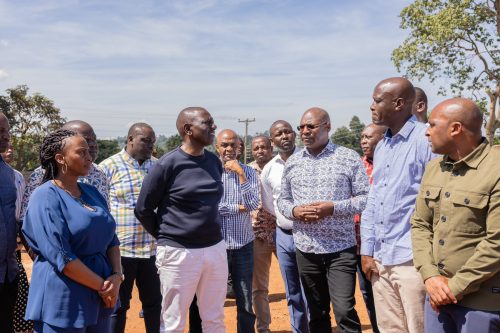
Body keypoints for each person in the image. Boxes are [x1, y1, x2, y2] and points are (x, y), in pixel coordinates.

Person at [135, 107, 228, 333]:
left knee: (214, 318)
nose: (214, 126)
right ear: (188, 129)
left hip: (215, 249)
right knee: (174, 322)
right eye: (207, 123)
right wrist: (168, 236)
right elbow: (143, 209)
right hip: (178, 254)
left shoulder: (214, 162)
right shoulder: (167, 165)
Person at [411, 98, 500, 332]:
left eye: (432, 125)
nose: (427, 133)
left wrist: (454, 288)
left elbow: (496, 242)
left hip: (481, 304)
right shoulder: (434, 168)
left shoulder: (496, 168)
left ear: (455, 129)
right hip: (437, 299)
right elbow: (420, 225)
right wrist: (430, 277)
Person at [278, 108, 369, 333]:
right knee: (317, 312)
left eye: (311, 126)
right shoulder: (293, 161)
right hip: (306, 249)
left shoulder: (347, 157)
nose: (304, 131)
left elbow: (366, 199)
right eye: (301, 127)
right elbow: (283, 200)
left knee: (344, 309)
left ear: (327, 126)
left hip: (340, 249)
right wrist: (295, 211)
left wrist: (333, 208)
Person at [22, 129, 122, 333]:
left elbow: (111, 238)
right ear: (61, 158)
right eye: (81, 153)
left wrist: (117, 276)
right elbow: (61, 256)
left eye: (89, 152)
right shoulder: (46, 196)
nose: (89, 157)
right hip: (64, 296)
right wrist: (103, 286)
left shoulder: (92, 192)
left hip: (101, 294)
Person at [360, 77, 436, 333]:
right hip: (381, 259)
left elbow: (436, 205)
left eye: (378, 100)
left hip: (412, 260)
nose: (372, 106)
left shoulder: (426, 141)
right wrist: (367, 251)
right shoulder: (382, 147)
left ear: (400, 103)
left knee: (420, 328)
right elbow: (374, 200)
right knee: (390, 328)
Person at [99, 123, 161, 333]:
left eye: (152, 141)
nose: (150, 144)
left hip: (152, 249)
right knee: (118, 305)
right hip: (120, 251)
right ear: (130, 139)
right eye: (145, 140)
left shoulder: (159, 167)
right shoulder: (108, 167)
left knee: (154, 304)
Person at [261, 120, 309, 333]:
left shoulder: (309, 160)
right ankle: (299, 329)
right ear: (272, 140)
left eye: (288, 132)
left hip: (309, 233)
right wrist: (285, 218)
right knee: (292, 290)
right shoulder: (269, 169)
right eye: (279, 134)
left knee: (311, 286)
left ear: (294, 134)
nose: (284, 136)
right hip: (284, 236)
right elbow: (269, 203)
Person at [20, 120, 108, 224]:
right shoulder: (42, 175)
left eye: (94, 139)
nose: (93, 144)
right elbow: (26, 220)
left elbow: (105, 214)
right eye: (86, 139)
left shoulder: (99, 173)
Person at [216, 129, 260, 333]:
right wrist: (237, 207)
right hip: (216, 246)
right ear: (217, 147)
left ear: (240, 148)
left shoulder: (250, 172)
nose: (229, 149)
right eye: (224, 145)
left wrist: (241, 174)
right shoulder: (210, 172)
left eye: (233, 145)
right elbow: (211, 207)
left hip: (243, 244)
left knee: (244, 299)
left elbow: (252, 204)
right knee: (213, 298)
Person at [354, 124, 386, 333]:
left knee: (386, 295)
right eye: (362, 137)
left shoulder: (388, 165)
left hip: (383, 245)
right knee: (367, 293)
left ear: (383, 138)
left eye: (369, 137)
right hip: (358, 243)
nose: (364, 141)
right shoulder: (358, 166)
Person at [1, 143, 33, 333]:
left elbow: (21, 216)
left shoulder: (16, 177)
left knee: (11, 313)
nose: (9, 150)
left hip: (11, 259)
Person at [248, 136, 276, 333]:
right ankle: (263, 327)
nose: (260, 151)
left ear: (270, 148)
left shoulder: (281, 166)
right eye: (256, 148)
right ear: (252, 151)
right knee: (258, 287)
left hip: (283, 233)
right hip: (257, 234)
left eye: (264, 147)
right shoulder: (246, 171)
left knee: (296, 282)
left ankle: (301, 324)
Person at [0, 112, 19, 332]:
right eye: (1, 132)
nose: (6, 137)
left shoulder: (8, 172)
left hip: (8, 272)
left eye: (7, 131)